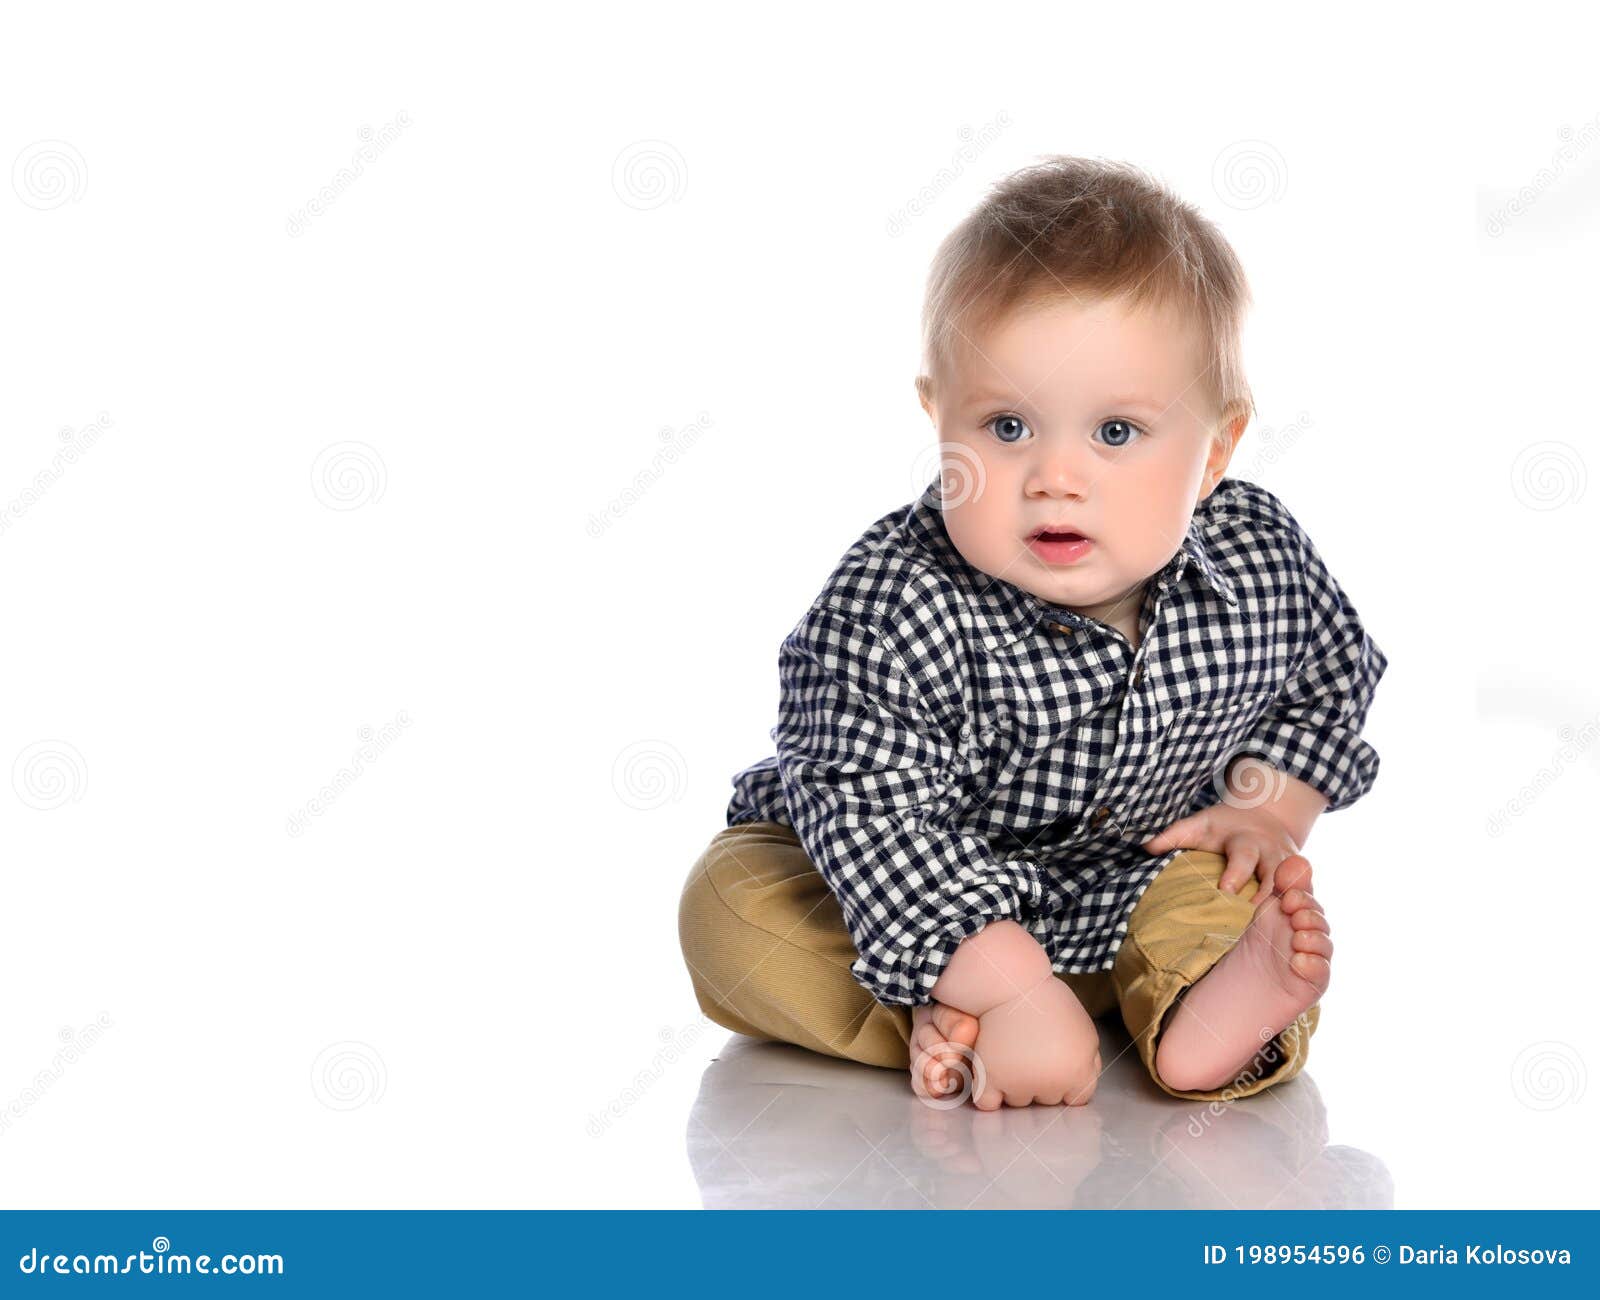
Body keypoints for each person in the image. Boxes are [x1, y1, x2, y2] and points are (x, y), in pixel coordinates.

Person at [678, 156, 1387, 1110]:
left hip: (1130, 882)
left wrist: (1268, 808)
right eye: (1007, 426)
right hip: (902, 891)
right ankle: (964, 1012)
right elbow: (865, 815)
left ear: (1216, 448)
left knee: (1230, 889)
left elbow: (1330, 671)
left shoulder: (1258, 556)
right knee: (729, 906)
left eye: (1117, 434)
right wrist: (999, 974)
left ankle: (1203, 1019)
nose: (1056, 475)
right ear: (939, 416)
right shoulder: (890, 606)